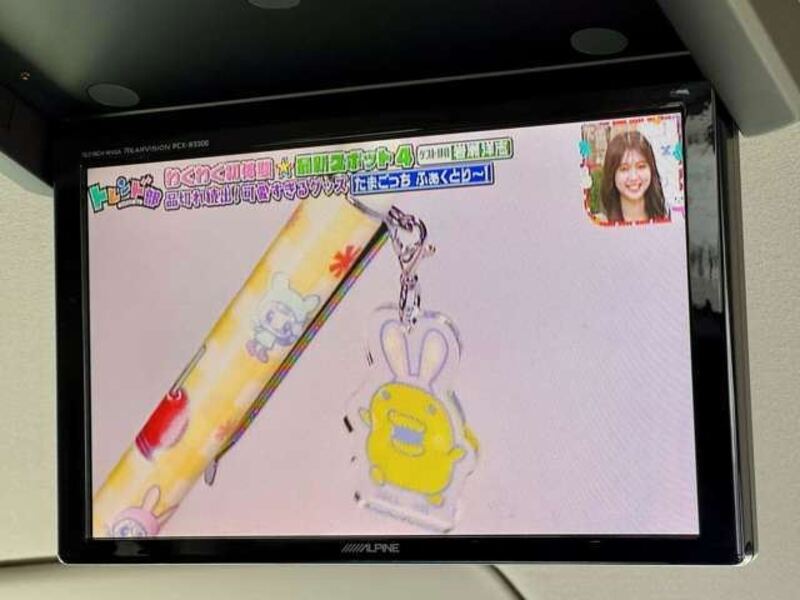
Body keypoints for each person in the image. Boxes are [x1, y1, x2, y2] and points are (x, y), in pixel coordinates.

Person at [599, 130, 667, 223]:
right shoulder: (600, 224)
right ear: (612, 174)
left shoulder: (668, 219)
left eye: (641, 166)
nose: (633, 177)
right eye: (624, 169)